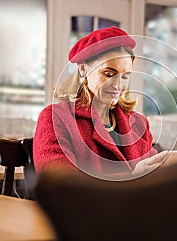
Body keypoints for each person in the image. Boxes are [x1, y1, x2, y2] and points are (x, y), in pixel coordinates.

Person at [33, 27, 168, 179]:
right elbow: (60, 184)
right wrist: (129, 178)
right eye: (109, 74)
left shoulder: (139, 123)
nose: (118, 85)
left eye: (125, 77)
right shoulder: (55, 118)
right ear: (83, 69)